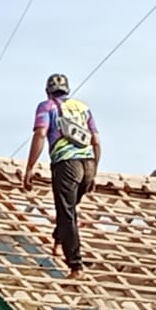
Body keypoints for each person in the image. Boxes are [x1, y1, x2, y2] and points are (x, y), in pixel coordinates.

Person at [21, 73, 101, 278]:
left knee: (67, 213)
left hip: (67, 164)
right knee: (69, 207)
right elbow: (96, 140)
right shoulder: (83, 108)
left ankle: (76, 266)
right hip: (89, 164)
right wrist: (94, 173)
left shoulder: (47, 107)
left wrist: (30, 167)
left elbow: (40, 134)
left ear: (48, 91)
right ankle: (58, 241)